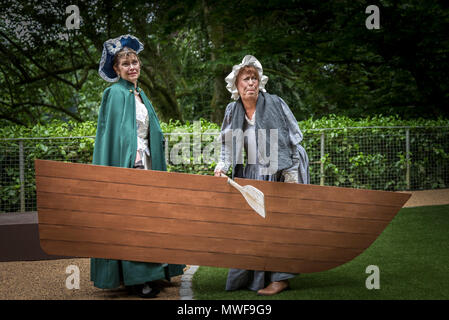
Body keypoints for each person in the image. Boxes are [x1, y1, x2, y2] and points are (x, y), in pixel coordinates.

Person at [92, 34, 185, 298]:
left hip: (148, 165)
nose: (132, 67)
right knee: (133, 221)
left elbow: (148, 132)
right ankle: (137, 278)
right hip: (129, 167)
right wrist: (127, 164)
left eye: (135, 63)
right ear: (116, 69)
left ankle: (155, 272)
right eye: (126, 64)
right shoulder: (114, 94)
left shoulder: (140, 94)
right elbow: (113, 137)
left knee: (152, 220)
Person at [214, 55, 310, 296]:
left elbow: (293, 137)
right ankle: (255, 278)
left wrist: (290, 175)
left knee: (280, 223)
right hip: (254, 171)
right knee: (253, 226)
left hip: (283, 168)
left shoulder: (275, 103)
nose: (251, 83)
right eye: (246, 79)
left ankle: (281, 279)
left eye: (254, 78)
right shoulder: (232, 110)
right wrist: (223, 165)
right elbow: (228, 142)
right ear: (236, 85)